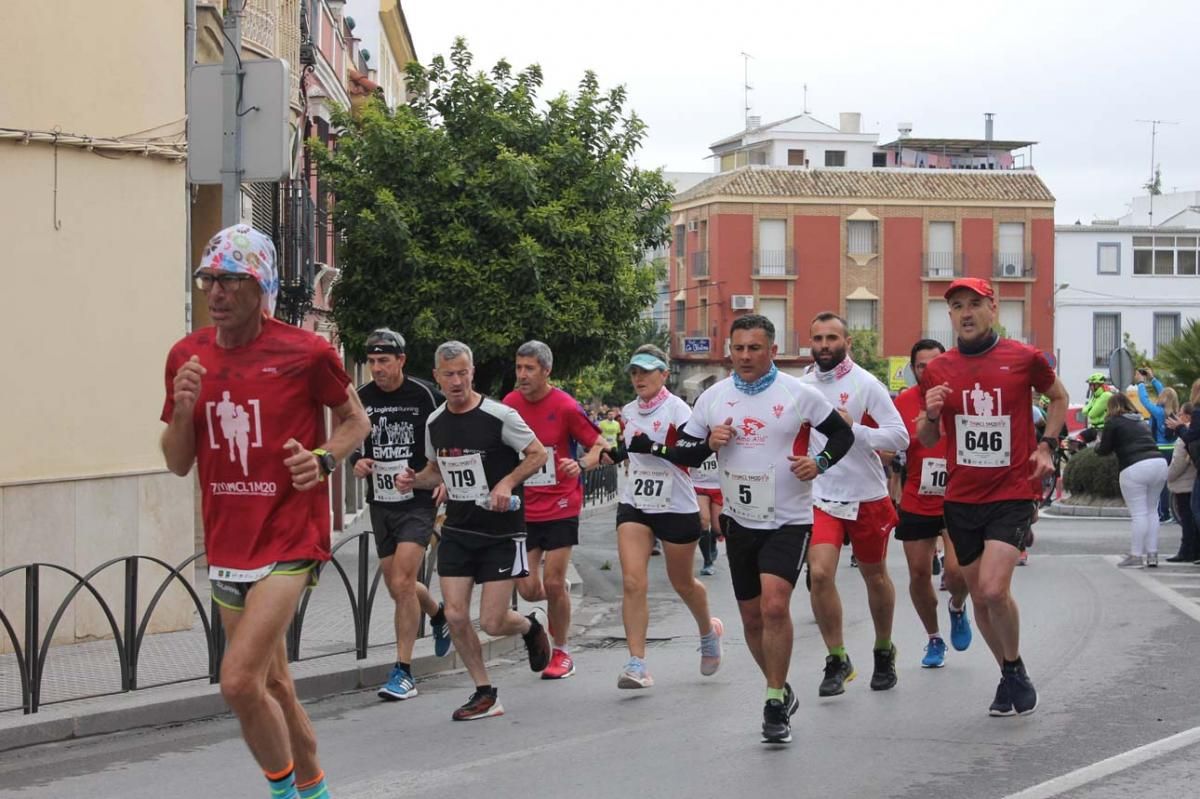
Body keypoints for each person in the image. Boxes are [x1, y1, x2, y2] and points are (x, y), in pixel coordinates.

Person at [161, 224, 370, 799]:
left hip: (290, 537)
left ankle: (285, 795)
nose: (216, 293)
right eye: (209, 279)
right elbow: (179, 463)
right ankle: (315, 790)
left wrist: (324, 459)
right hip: (229, 544)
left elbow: (355, 421)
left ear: (262, 286)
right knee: (275, 684)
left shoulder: (307, 352)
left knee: (237, 680)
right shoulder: (187, 356)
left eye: (231, 280)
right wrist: (182, 410)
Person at [641, 315, 853, 744]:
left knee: (776, 606)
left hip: (790, 519)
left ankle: (774, 700)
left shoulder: (799, 394)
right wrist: (708, 444)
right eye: (738, 348)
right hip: (738, 520)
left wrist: (820, 463)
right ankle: (781, 685)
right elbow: (682, 450)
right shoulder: (714, 398)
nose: (745, 356)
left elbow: (841, 435)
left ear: (772, 351)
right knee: (752, 617)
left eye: (754, 348)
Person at [919, 277, 1068, 717]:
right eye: (956, 307)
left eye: (974, 304)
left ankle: (1012, 668)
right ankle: (1010, 669)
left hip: (1012, 492)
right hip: (962, 498)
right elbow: (928, 438)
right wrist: (930, 412)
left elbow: (1058, 397)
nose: (965, 313)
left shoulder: (1023, 359)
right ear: (949, 316)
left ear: (992, 309)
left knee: (992, 587)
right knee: (980, 597)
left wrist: (1048, 446)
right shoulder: (939, 369)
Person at [396, 341, 552, 720]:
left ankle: (530, 626)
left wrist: (506, 483)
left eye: (462, 373)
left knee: (495, 622)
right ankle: (485, 692)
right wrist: (412, 480)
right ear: (437, 377)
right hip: (459, 529)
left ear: (472, 373)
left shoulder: (500, 415)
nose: (456, 381)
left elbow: (538, 453)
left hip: (501, 531)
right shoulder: (435, 423)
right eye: (448, 374)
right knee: (455, 615)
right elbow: (437, 471)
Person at [604, 345, 724, 693]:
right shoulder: (628, 411)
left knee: (683, 582)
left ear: (663, 373)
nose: (638, 378)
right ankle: (636, 663)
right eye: (633, 372)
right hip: (636, 504)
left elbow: (697, 453)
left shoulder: (678, 410)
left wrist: (653, 449)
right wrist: (609, 455)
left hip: (676, 506)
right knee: (632, 582)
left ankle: (708, 631)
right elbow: (630, 448)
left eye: (645, 371)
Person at [802, 313, 909, 697]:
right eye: (817, 338)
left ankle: (883, 648)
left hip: (866, 496)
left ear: (847, 341)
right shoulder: (802, 385)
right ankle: (837, 658)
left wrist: (855, 430)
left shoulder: (866, 383)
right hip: (821, 496)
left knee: (875, 577)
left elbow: (900, 438)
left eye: (832, 337)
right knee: (819, 575)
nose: (824, 345)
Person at [351, 327, 452, 701]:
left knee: (405, 579)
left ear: (401, 361)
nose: (377, 368)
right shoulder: (361, 398)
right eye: (372, 361)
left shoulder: (425, 395)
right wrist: (356, 462)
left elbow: (450, 432)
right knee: (398, 586)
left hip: (417, 500)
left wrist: (443, 476)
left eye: (384, 361)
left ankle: (404, 671)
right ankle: (437, 614)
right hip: (380, 503)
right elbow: (352, 441)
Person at [504, 340, 607, 680]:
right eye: (519, 368)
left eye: (529, 369)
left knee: (554, 579)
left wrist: (581, 464)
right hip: (525, 507)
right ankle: (536, 625)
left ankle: (561, 651)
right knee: (529, 589)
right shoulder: (510, 404)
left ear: (546, 371)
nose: (522, 375)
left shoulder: (564, 405)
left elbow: (598, 445)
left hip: (562, 503)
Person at [892, 339, 973, 669]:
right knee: (918, 573)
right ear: (913, 369)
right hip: (916, 497)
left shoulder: (963, 397)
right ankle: (934, 638)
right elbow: (889, 446)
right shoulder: (903, 403)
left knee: (956, 572)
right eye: (921, 365)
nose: (928, 370)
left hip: (957, 496)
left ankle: (956, 605)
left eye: (934, 364)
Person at [1086, 393, 1169, 568]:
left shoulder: (1113, 421)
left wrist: (1097, 444)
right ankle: (1152, 554)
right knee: (1152, 511)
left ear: (1111, 407)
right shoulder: (1140, 421)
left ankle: (1136, 555)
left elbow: (1104, 450)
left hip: (1134, 467)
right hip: (1159, 463)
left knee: (1139, 514)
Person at [1135, 367, 1179, 523]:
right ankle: (1172, 513)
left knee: (1160, 484)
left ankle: (1164, 514)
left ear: (1163, 399)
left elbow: (1144, 400)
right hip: (1173, 449)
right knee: (1169, 482)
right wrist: (1152, 379)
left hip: (1160, 450)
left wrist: (1141, 383)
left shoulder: (1159, 412)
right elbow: (1167, 393)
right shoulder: (1174, 411)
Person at [1166, 404, 1198, 564]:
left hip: (1183, 484)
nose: (1177, 416)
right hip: (1193, 481)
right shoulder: (1194, 435)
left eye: (1180, 414)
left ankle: (1186, 551)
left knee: (1187, 519)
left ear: (1187, 417)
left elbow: (1178, 463)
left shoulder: (1184, 437)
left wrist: (1168, 476)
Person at [690, 450, 722, 576]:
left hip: (719, 486)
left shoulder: (722, 436)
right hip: (698, 484)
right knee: (703, 521)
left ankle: (713, 539)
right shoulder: (692, 434)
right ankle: (708, 562)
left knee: (718, 527)